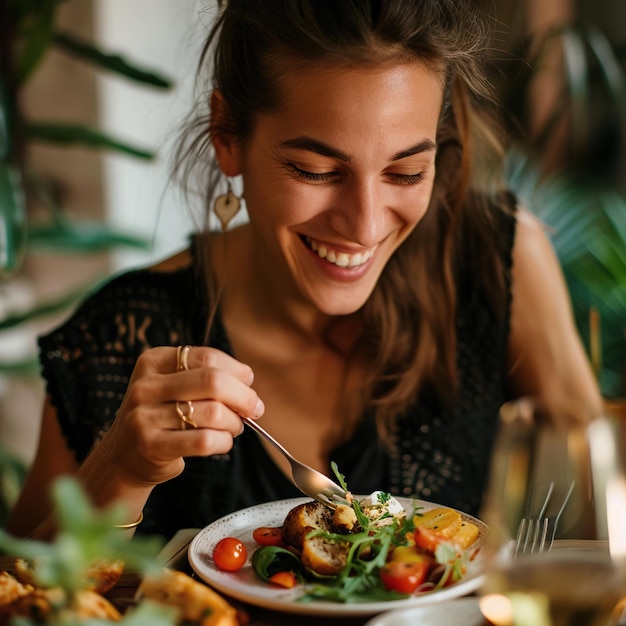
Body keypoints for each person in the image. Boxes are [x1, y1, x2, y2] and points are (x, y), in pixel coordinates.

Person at [7, 0, 601, 541]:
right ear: (228, 134)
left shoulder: (494, 261)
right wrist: (117, 474)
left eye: (405, 173)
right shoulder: (117, 333)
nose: (365, 226)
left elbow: (601, 514)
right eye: (316, 171)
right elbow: (22, 598)